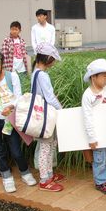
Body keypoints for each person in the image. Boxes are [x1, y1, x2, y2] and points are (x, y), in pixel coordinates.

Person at [0, 49, 36, 193]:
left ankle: (25, 172)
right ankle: (6, 177)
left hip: (9, 119)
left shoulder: (12, 76)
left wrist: (11, 106)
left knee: (15, 149)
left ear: (0, 63)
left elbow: (18, 97)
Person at [82, 58, 106, 194]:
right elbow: (87, 117)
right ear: (94, 77)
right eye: (104, 76)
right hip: (97, 134)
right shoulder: (87, 95)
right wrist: (91, 138)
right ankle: (100, 181)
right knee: (99, 159)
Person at [31, 42, 64, 192]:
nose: (54, 62)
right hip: (46, 117)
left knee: (50, 145)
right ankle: (44, 180)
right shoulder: (42, 75)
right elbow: (50, 98)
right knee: (46, 147)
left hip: (43, 115)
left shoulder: (35, 72)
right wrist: (61, 109)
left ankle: (49, 174)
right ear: (48, 58)